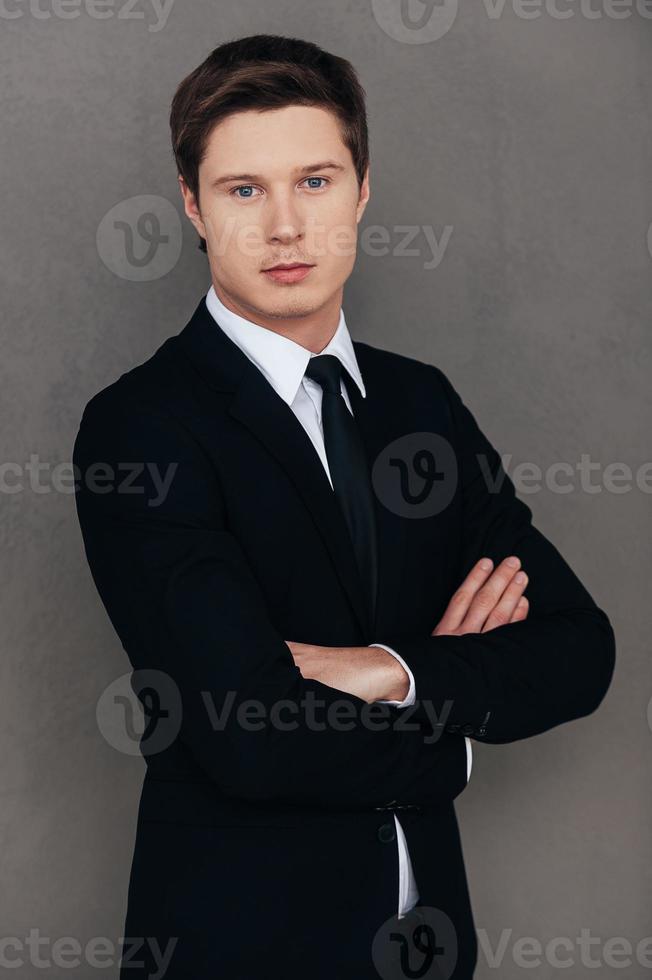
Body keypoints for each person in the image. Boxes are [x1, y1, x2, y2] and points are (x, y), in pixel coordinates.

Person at [72, 33, 616, 980]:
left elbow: (578, 649)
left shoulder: (421, 404)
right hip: (241, 952)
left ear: (363, 191)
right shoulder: (143, 428)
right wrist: (454, 729)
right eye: (245, 190)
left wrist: (389, 670)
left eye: (315, 181)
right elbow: (250, 736)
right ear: (193, 208)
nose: (286, 227)